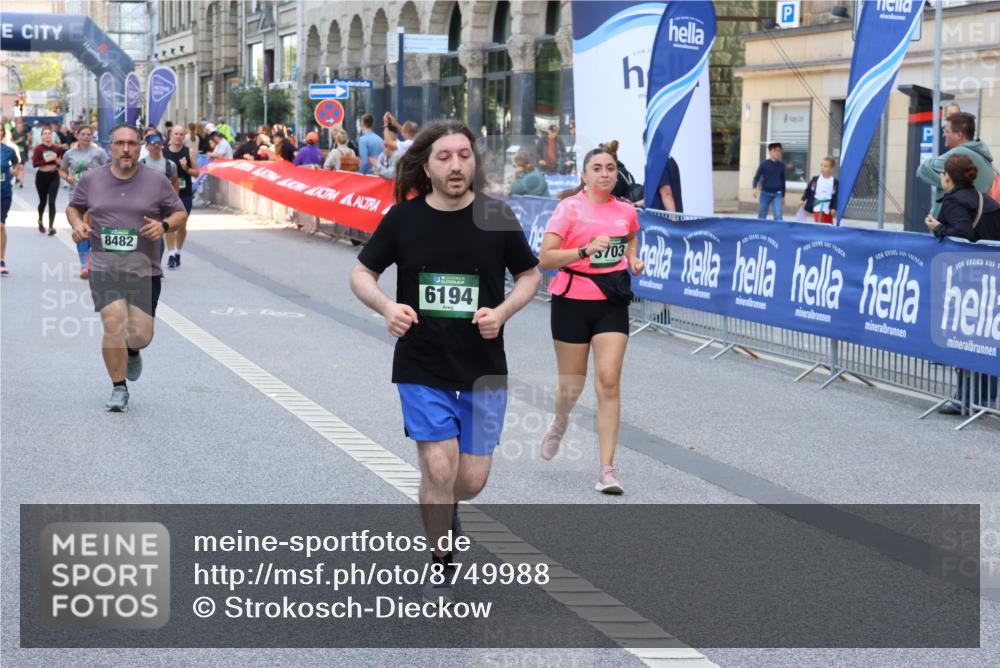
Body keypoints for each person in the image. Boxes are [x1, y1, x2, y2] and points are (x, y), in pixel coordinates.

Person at [350, 120, 540, 604]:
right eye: (444, 157)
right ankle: (441, 557)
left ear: (475, 161)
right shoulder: (403, 219)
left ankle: (445, 502)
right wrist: (388, 307)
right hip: (421, 362)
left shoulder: (497, 217)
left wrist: (501, 312)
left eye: (464, 155)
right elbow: (362, 275)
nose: (456, 165)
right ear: (427, 166)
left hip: (481, 365)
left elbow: (529, 276)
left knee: (470, 481)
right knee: (438, 467)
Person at [537, 147, 645, 494]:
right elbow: (546, 258)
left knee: (609, 380)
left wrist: (633, 257)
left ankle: (607, 470)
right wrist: (584, 251)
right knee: (572, 385)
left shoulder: (625, 210)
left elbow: (629, 236)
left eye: (610, 168)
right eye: (596, 168)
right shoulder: (568, 208)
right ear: (584, 175)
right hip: (571, 300)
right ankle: (559, 421)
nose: (604, 174)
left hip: (611, 303)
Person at [66, 124, 188, 412]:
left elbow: (180, 211)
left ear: (139, 147)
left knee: (141, 334)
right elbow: (75, 206)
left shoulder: (156, 181)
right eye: (120, 143)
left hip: (144, 268)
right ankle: (118, 387)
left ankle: (133, 350)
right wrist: (78, 224)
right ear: (110, 147)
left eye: (132, 143)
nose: (125, 149)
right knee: (113, 322)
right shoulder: (93, 179)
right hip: (104, 266)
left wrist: (164, 225)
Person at [917, 112, 996, 217]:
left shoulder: (961, 153)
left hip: (961, 226)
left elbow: (922, 170)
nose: (943, 134)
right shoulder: (979, 153)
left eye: (946, 131)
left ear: (959, 135)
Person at [59, 124, 110, 277]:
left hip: (96, 194)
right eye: (83, 134)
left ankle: (91, 259)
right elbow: (62, 170)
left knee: (92, 227)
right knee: (79, 228)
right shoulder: (69, 154)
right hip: (76, 193)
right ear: (77, 135)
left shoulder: (99, 152)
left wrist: (96, 173)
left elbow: (110, 170)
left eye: (89, 134)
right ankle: (84, 264)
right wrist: (68, 177)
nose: (86, 137)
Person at [925, 154, 1000, 242]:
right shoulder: (984, 198)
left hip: (970, 255)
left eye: (942, 172)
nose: (941, 175)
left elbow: (962, 234)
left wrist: (937, 227)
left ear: (947, 177)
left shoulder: (953, 201)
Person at [164, 124, 200, 269]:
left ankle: (178, 251)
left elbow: (197, 173)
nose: (178, 136)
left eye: (181, 134)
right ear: (171, 135)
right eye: (176, 134)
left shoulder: (189, 151)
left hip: (184, 193)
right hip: (168, 194)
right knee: (169, 224)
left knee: (182, 225)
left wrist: (186, 169)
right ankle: (171, 254)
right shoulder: (163, 152)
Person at [32, 127, 64, 236]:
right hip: (41, 176)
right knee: (43, 202)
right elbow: (35, 164)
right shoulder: (38, 149)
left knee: (52, 202)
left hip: (54, 176)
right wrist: (47, 160)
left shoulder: (57, 148)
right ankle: (40, 220)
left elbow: (61, 163)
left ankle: (51, 227)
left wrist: (59, 162)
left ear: (52, 135)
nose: (47, 136)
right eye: (44, 134)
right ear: (41, 136)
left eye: (49, 134)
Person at [1, 126, 23, 275]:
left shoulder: (8, 150)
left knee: (1, 226)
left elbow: (17, 165)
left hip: (4, 192)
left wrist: (14, 172)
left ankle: (1, 260)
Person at [800, 156, 839, 224]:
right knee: (820, 226)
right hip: (817, 207)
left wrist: (834, 208)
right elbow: (808, 190)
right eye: (821, 165)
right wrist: (803, 199)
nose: (822, 168)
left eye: (825, 166)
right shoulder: (815, 179)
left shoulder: (835, 182)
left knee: (828, 227)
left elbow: (836, 196)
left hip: (828, 208)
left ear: (831, 168)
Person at [753, 142, 786, 221]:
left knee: (778, 216)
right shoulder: (764, 164)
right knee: (762, 216)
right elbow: (756, 177)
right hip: (765, 193)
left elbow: (783, 181)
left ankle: (779, 232)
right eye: (775, 150)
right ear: (770, 151)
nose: (777, 153)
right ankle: (760, 231)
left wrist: (783, 196)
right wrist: (755, 188)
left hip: (777, 194)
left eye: (779, 151)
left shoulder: (782, 166)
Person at [11, 118, 29, 188]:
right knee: (16, 167)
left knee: (22, 167)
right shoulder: (13, 134)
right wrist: (18, 141)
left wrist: (28, 143)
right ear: (16, 127)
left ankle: (21, 183)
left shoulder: (25, 135)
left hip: (23, 153)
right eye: (19, 127)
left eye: (21, 127)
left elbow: (27, 143)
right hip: (15, 153)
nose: (20, 129)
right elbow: (11, 143)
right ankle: (15, 179)